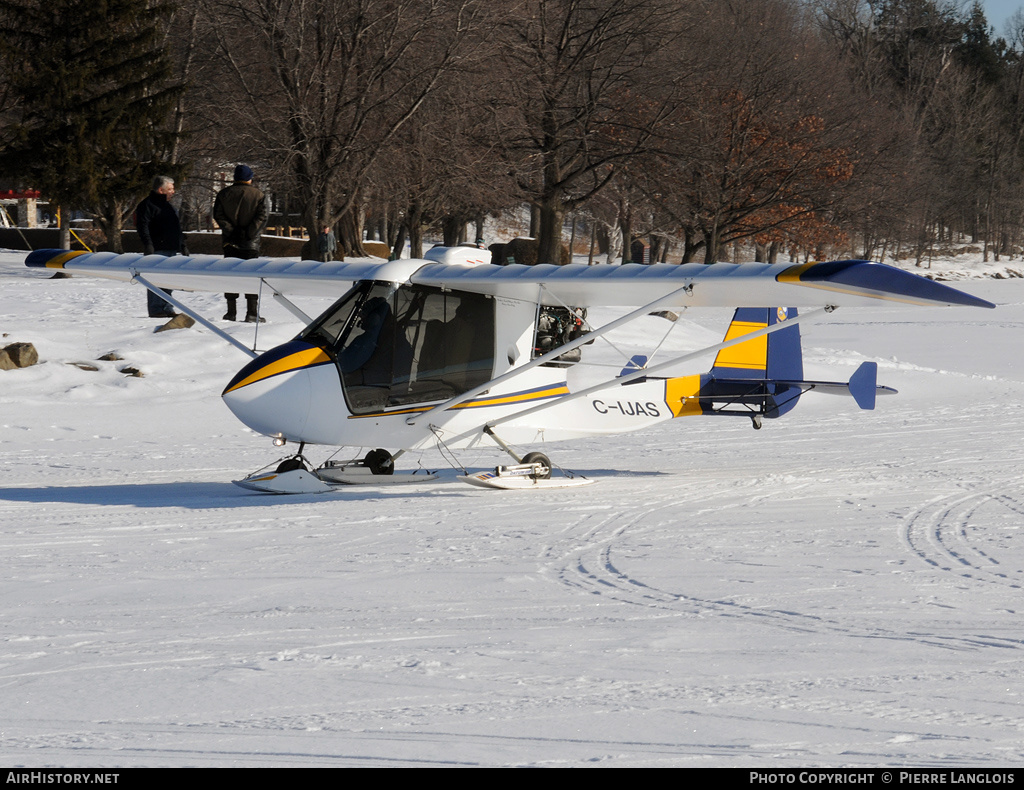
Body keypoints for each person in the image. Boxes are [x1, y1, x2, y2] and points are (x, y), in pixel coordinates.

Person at [213, 164, 268, 322]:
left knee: (231, 276)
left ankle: (231, 313)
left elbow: (219, 216)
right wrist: (249, 233)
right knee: (251, 276)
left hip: (230, 242)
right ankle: (251, 313)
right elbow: (262, 217)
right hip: (250, 243)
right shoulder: (258, 195)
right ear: (249, 178)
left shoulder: (223, 194)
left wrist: (232, 231)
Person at [135, 175, 187, 318]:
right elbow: (142, 226)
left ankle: (167, 307)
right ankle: (157, 309)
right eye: (170, 189)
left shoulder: (169, 207)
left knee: (168, 280)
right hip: (157, 249)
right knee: (155, 280)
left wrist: (182, 244)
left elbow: (176, 227)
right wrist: (148, 244)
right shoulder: (147, 205)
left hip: (171, 248)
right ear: (160, 189)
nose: (173, 192)